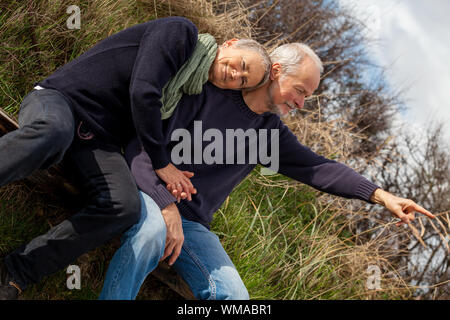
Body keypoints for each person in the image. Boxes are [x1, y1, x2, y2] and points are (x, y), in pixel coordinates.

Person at [98, 43, 436, 300]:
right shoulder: (202, 90)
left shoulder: (270, 135)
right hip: (147, 190)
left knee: (237, 298)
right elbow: (141, 147)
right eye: (300, 90)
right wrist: (164, 204)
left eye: (307, 96)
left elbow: (318, 168)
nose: (302, 103)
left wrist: (381, 196)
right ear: (275, 71)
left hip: (192, 224)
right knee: (151, 234)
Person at [0, 16, 271, 300]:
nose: (234, 76)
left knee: (124, 206)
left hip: (98, 141)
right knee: (53, 134)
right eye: (242, 66)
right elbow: (143, 92)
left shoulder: (187, 91)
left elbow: (142, 133)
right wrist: (162, 163)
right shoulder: (181, 34)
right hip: (62, 102)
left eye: (243, 81)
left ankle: (17, 272)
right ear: (229, 45)